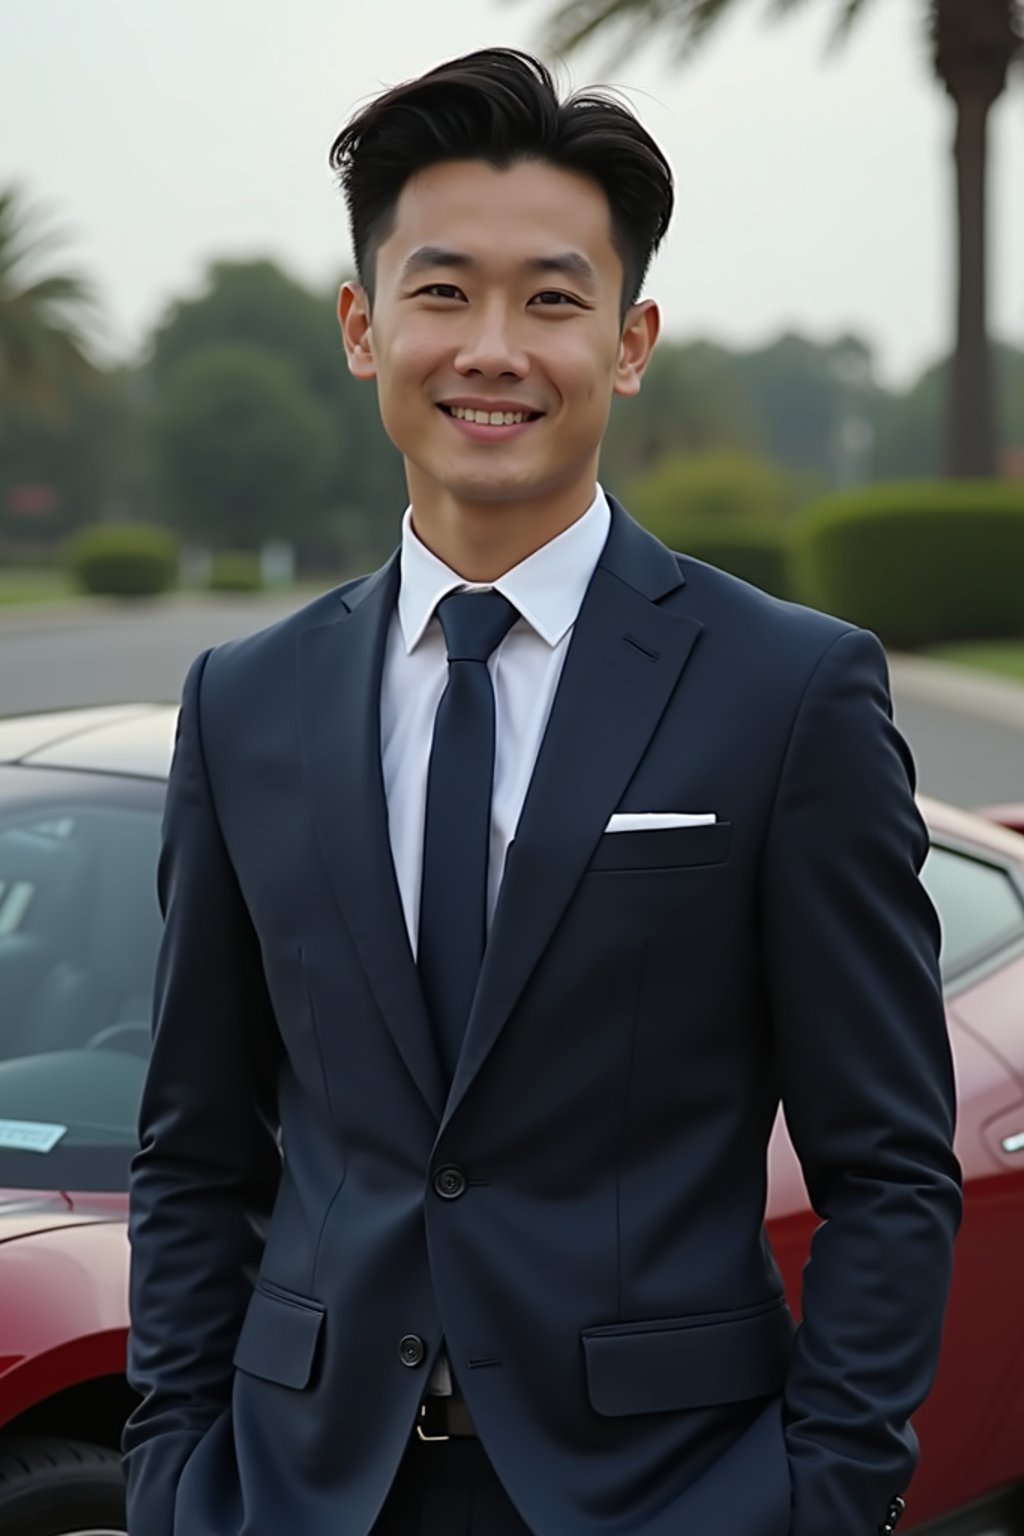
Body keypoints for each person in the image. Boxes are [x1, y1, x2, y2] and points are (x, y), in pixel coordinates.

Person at [123, 47, 962, 1536]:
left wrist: (818, 1497)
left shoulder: (791, 693)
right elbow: (198, 1148)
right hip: (295, 1491)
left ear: (629, 341)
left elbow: (889, 1165)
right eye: (441, 292)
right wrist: (179, 1472)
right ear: (361, 326)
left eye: (553, 300)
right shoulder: (242, 703)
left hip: (670, 1493)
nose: (492, 347)